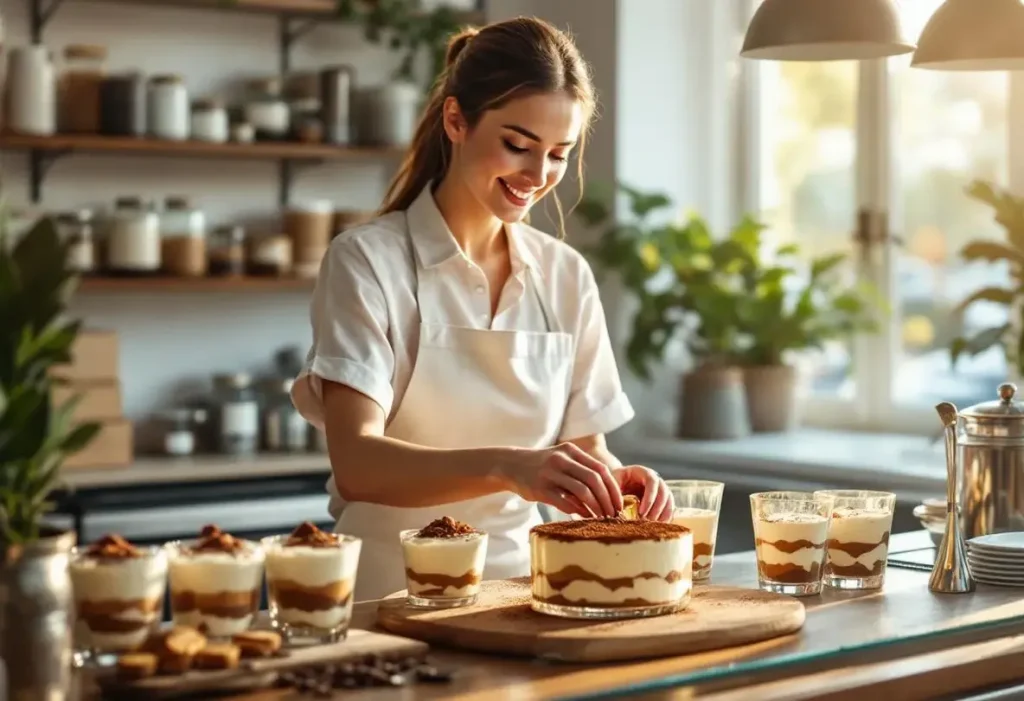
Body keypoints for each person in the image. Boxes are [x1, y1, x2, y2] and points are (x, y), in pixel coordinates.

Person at [291, 16, 674, 601]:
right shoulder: (367, 261)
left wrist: (612, 483)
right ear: (455, 120)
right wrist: (511, 466)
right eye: (518, 146)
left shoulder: (565, 275)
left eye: (558, 155)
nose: (537, 175)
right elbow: (357, 462)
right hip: (389, 601)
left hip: (526, 597)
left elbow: (585, 445)